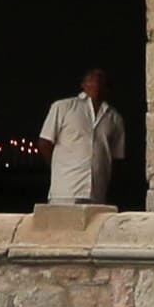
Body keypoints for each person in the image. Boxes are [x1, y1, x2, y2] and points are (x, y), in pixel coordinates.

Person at [37, 66, 127, 207]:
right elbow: (45, 143)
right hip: (66, 191)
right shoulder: (63, 107)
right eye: (91, 79)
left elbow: (116, 157)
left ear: (107, 87)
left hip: (97, 192)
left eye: (100, 79)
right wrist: (58, 168)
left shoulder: (115, 118)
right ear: (83, 84)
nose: (96, 82)